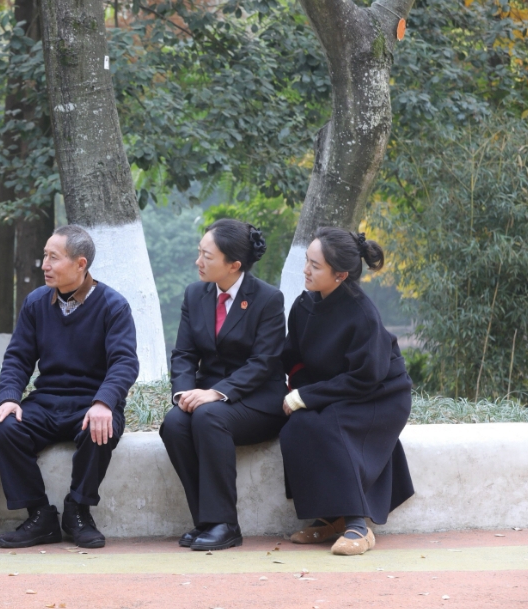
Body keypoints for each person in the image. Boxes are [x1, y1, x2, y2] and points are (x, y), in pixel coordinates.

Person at [0, 225, 140, 549]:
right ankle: (39, 516)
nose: (44, 265)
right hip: (47, 401)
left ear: (80, 264)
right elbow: (17, 358)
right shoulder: (36, 302)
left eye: (53, 258)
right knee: (3, 428)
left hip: (92, 401)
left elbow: (124, 363)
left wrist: (104, 403)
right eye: (45, 256)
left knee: (101, 430)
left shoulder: (113, 305)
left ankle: (78, 511)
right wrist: (9, 399)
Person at [279, 228, 414, 556]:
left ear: (340, 275)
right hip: (336, 390)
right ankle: (329, 518)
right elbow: (293, 357)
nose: (306, 270)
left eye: (315, 266)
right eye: (307, 261)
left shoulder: (361, 313)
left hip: (379, 394)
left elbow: (365, 378)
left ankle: (358, 525)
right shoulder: (304, 304)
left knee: (330, 427)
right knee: (297, 427)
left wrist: (307, 397)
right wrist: (302, 391)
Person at [159, 219, 288, 551]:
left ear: (234, 265)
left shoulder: (268, 299)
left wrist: (216, 393)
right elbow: (184, 354)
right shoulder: (195, 294)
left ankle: (225, 524)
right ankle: (206, 521)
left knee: (209, 416)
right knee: (174, 424)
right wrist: (183, 393)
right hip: (208, 396)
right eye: (199, 252)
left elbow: (263, 363)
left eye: (207, 256)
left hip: (258, 398)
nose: (198, 262)